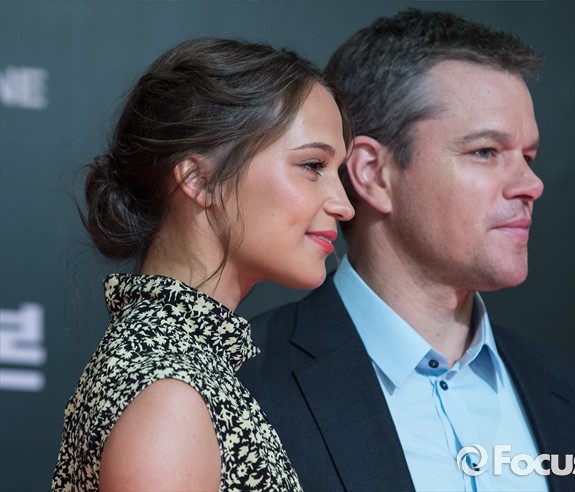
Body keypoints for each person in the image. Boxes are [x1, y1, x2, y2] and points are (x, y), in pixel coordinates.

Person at [237, 9, 575, 492]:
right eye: (485, 152)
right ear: (373, 173)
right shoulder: (243, 386)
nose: (531, 184)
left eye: (528, 157)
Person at [52, 37, 354, 491]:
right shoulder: (168, 389)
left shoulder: (182, 366)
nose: (343, 205)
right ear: (199, 179)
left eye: (338, 172)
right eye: (312, 165)